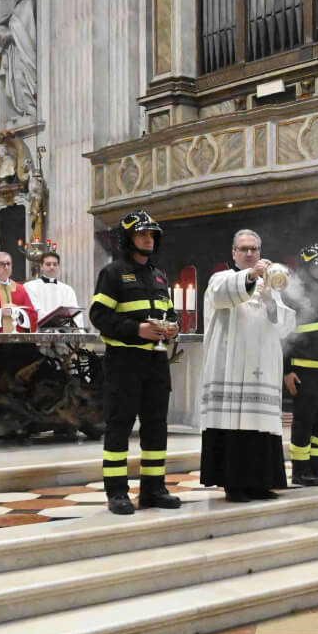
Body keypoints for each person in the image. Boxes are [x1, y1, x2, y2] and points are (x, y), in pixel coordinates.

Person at [88, 211, 182, 516]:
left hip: (156, 361)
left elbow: (169, 312)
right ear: (128, 239)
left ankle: (154, 488)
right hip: (124, 362)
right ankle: (116, 492)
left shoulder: (159, 276)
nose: (148, 239)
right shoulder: (112, 273)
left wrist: (173, 327)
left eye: (152, 235)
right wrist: (136, 329)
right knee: (119, 426)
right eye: (142, 234)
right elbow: (99, 316)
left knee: (156, 426)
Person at [200, 229, 297, 501]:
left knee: (260, 424)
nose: (249, 253)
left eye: (254, 249)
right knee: (233, 424)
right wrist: (252, 276)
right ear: (234, 253)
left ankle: (259, 482)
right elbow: (221, 295)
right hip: (230, 366)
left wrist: (269, 301)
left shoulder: (270, 286)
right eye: (243, 249)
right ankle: (234, 484)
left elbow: (283, 326)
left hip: (261, 369)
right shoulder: (222, 278)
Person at [285, 243, 318, 487]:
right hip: (303, 372)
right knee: (304, 421)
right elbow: (283, 337)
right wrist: (287, 371)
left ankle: (316, 466)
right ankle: (300, 470)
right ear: (305, 269)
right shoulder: (293, 297)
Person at [26, 250, 80, 325]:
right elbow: (35, 310)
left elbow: (74, 311)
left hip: (64, 330)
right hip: (40, 329)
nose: (52, 267)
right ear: (41, 266)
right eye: (48, 264)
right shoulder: (30, 286)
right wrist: (55, 323)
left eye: (55, 264)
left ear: (58, 266)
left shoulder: (67, 289)